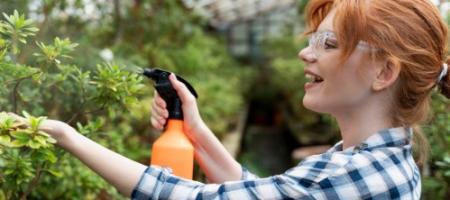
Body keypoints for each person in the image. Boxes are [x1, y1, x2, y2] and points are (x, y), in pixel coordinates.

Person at [8, 0, 450, 199]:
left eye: (329, 42)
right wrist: (197, 132)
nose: (305, 51)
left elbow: (191, 199)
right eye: (312, 38)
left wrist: (64, 134)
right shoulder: (371, 159)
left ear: (384, 71)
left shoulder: (355, 176)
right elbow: (259, 194)